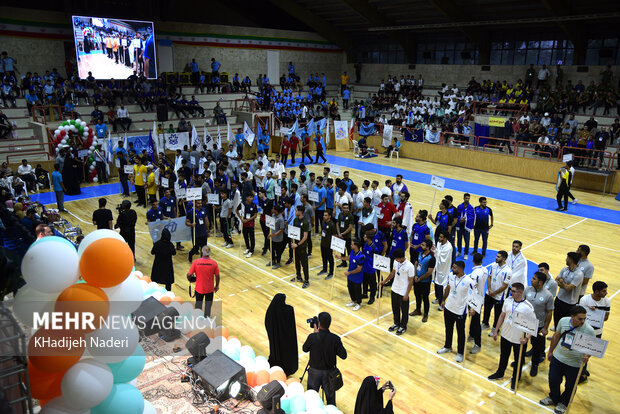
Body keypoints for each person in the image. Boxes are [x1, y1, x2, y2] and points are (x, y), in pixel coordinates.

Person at [539, 306, 594, 414]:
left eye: (584, 318)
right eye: (580, 318)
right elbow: (556, 335)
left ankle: (564, 403)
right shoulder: (563, 321)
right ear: (572, 317)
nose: (583, 321)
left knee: (570, 386)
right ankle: (554, 397)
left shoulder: (589, 330)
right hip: (558, 358)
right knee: (553, 380)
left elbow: (590, 349)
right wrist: (550, 351)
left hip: (575, 364)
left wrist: (587, 356)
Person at [488, 282, 534, 389]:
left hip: (519, 339)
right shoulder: (508, 301)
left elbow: (532, 325)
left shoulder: (528, 307)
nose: (511, 292)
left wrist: (527, 338)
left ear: (520, 292)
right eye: (511, 290)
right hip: (505, 335)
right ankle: (500, 373)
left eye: (513, 291)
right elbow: (502, 315)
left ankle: (516, 378)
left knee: (518, 361)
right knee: (503, 356)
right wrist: (496, 330)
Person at [302, 312, 347, 406]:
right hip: (329, 374)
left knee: (311, 398)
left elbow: (304, 349)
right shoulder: (335, 339)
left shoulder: (312, 337)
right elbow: (344, 355)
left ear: (319, 323)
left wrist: (314, 334)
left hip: (314, 373)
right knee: (331, 401)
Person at [437, 261, 474, 363]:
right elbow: (448, 288)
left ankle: (460, 353)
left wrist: (472, 308)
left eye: (454, 268)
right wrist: (444, 299)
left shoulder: (469, 281)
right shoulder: (451, 276)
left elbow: (473, 296)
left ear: (461, 269)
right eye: (452, 267)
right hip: (449, 308)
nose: (452, 269)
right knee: (448, 329)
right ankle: (447, 346)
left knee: (460, 333)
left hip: (460, 311)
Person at [525, 271, 554, 377]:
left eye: (534, 279)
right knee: (522, 343)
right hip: (524, 322)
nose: (531, 280)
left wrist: (546, 327)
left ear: (540, 282)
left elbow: (549, 312)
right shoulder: (527, 289)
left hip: (538, 325)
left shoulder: (548, 295)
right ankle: (520, 359)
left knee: (537, 347)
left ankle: (534, 365)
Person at [380, 248, 415, 335]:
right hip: (395, 288)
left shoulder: (410, 266)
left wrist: (407, 294)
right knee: (395, 308)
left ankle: (403, 326)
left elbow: (411, 281)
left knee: (404, 310)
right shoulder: (396, 262)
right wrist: (384, 281)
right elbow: (393, 273)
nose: (395, 260)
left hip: (403, 291)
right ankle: (396, 323)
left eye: (396, 258)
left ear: (401, 257)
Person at [265, 293, 298, 377]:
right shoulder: (287, 311)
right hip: (286, 340)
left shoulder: (271, 311)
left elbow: (267, 322)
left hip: (275, 339)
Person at [482, 250, 512, 332]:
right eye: (496, 256)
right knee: (486, 310)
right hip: (489, 293)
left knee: (497, 314)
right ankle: (485, 324)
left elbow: (505, 286)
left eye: (498, 257)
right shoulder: (493, 265)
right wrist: (489, 289)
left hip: (499, 296)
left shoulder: (508, 271)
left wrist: (494, 293)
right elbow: (489, 277)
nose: (496, 258)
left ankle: (496, 328)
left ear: (504, 259)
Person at [554, 252, 584, 330]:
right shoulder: (564, 269)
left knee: (566, 324)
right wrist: (564, 284)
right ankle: (556, 336)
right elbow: (556, 279)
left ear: (571, 260)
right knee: (556, 320)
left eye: (567, 258)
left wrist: (562, 281)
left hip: (569, 303)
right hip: (559, 298)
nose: (566, 260)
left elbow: (568, 288)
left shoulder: (579, 274)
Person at [187, 246, 220, 317]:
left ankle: (197, 321)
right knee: (208, 307)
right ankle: (206, 322)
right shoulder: (214, 263)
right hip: (209, 290)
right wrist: (217, 285)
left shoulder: (196, 262)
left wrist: (190, 279)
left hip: (199, 289)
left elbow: (189, 274)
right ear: (209, 253)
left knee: (198, 307)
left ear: (202, 252)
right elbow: (217, 276)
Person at [335, 239, 365, 311]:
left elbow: (359, 269)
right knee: (350, 288)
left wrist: (349, 272)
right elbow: (349, 258)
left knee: (357, 290)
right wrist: (340, 257)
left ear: (356, 246)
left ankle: (358, 303)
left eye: (352, 244)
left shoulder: (361, 256)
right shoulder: (352, 252)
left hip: (357, 277)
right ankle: (353, 301)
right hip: (350, 276)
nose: (351, 245)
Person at [467, 253, 487, 354]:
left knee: (475, 322)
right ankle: (471, 334)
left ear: (473, 260)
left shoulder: (475, 274)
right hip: (481, 298)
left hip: (474, 300)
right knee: (474, 321)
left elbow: (473, 289)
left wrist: (473, 306)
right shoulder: (485, 270)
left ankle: (477, 344)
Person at [290, 205, 311, 288]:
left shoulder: (305, 222)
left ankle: (306, 280)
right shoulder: (295, 220)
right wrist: (292, 241)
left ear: (300, 212)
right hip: (295, 245)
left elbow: (305, 237)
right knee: (296, 262)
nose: (295, 212)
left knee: (304, 264)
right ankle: (298, 276)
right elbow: (293, 231)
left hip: (301, 246)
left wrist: (297, 244)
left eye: (296, 210)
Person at [433, 231, 453, 309]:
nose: (439, 238)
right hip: (437, 267)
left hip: (443, 269)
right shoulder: (438, 243)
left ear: (445, 238)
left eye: (441, 237)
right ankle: (437, 298)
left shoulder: (449, 247)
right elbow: (437, 253)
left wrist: (436, 251)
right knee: (435, 283)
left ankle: (441, 303)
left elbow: (444, 259)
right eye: (439, 236)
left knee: (440, 285)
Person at [318, 210, 337, 279]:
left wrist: (333, 245)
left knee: (330, 259)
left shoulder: (332, 224)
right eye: (324, 215)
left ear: (329, 216)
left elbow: (334, 235)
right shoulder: (323, 222)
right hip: (323, 243)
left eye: (326, 215)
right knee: (323, 257)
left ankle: (331, 273)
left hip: (329, 244)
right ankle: (324, 269)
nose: (324, 216)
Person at [456, 193, 475, 259]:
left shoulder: (471, 208)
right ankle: (459, 251)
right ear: (463, 198)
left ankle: (466, 253)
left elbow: (472, 217)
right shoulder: (459, 206)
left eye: (468, 198)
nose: (467, 199)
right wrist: (459, 219)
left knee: (466, 240)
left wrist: (465, 219)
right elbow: (456, 214)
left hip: (466, 226)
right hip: (460, 225)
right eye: (466, 198)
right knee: (459, 239)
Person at [240, 193, 257, 258]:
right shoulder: (243, 205)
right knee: (245, 235)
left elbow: (255, 215)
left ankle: (251, 250)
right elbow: (236, 210)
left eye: (252, 197)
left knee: (252, 237)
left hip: (251, 224)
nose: (252, 198)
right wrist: (241, 219)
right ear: (246, 198)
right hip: (244, 223)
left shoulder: (254, 205)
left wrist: (248, 220)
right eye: (250, 197)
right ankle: (247, 247)